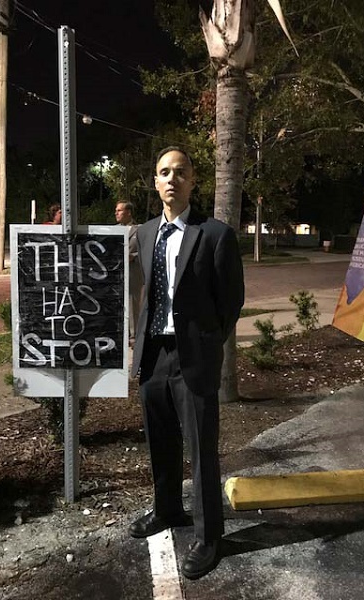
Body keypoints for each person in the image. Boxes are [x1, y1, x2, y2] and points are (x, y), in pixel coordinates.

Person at [130, 146, 244, 579]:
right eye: (164, 172)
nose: (171, 179)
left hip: (193, 357)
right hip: (154, 354)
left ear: (193, 181)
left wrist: (210, 344)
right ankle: (167, 511)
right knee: (160, 441)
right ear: (155, 182)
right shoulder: (143, 233)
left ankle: (209, 535)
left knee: (202, 449)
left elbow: (231, 300)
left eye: (180, 172)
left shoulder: (215, 234)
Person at [115, 200, 143, 344]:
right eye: (116, 210)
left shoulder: (140, 230)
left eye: (119, 210)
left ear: (129, 212)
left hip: (133, 272)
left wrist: (133, 257)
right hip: (116, 273)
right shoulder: (113, 231)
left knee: (133, 303)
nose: (116, 213)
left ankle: (134, 336)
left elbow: (145, 251)